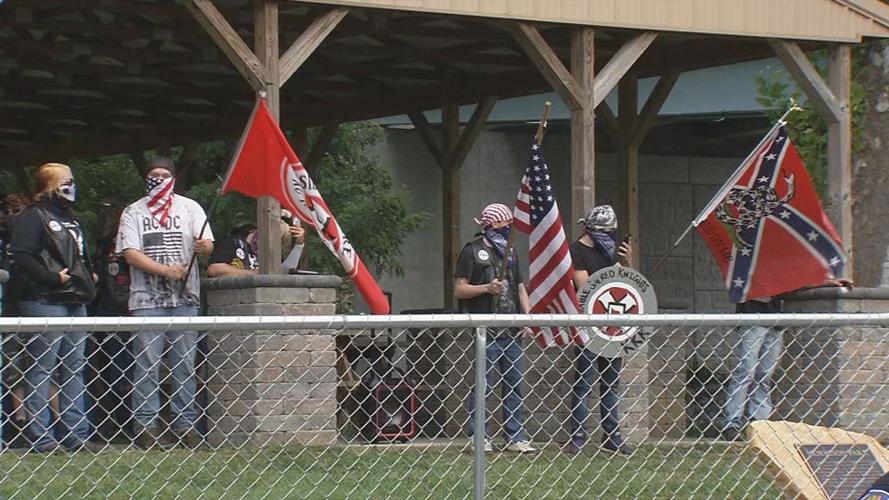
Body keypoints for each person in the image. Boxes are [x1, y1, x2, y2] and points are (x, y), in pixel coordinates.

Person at [116, 156, 214, 450]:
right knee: (147, 364)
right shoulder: (133, 211)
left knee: (184, 364)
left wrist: (203, 247)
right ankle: (146, 425)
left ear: (172, 178)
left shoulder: (190, 207)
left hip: (185, 298)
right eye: (153, 174)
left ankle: (185, 424)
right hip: (147, 299)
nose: (158, 179)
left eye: (163, 174)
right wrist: (165, 271)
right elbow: (130, 253)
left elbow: (207, 244)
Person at [10, 163, 100, 453]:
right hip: (43, 299)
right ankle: (42, 437)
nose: (72, 185)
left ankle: (76, 434)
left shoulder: (71, 217)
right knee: (43, 367)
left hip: (74, 300)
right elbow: (21, 256)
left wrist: (89, 274)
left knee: (74, 367)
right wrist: (52, 278)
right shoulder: (33, 217)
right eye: (67, 181)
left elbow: (81, 255)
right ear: (50, 184)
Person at [721, 277, 852, 441]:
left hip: (775, 320)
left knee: (764, 375)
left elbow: (793, 282)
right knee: (745, 372)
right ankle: (731, 424)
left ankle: (760, 423)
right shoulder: (749, 264)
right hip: (752, 317)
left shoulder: (778, 266)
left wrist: (826, 282)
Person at [455, 203, 536, 454]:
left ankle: (515, 436)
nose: (507, 229)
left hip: (511, 330)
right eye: (503, 225)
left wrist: (527, 318)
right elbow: (459, 289)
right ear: (490, 225)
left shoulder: (511, 253)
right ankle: (479, 436)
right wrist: (487, 288)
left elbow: (520, 286)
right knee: (483, 384)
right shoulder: (472, 252)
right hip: (485, 330)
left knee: (514, 385)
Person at [567, 204, 635, 455]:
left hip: (613, 326)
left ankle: (612, 435)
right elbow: (586, 287)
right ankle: (578, 435)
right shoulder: (577, 251)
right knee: (584, 382)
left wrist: (627, 263)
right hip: (588, 326)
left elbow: (628, 285)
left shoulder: (612, 253)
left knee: (610, 383)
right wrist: (614, 274)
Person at [206, 212, 306, 277]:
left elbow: (286, 272)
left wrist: (299, 245)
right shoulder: (233, 243)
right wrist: (254, 273)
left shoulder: (271, 255)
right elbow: (214, 269)